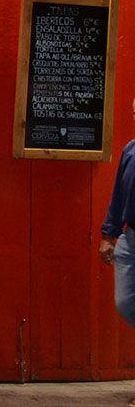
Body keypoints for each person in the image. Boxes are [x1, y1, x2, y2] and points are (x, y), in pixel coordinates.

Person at [100, 98, 135, 328]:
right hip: (130, 238)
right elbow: (119, 195)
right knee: (125, 302)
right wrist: (108, 235)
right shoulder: (130, 149)